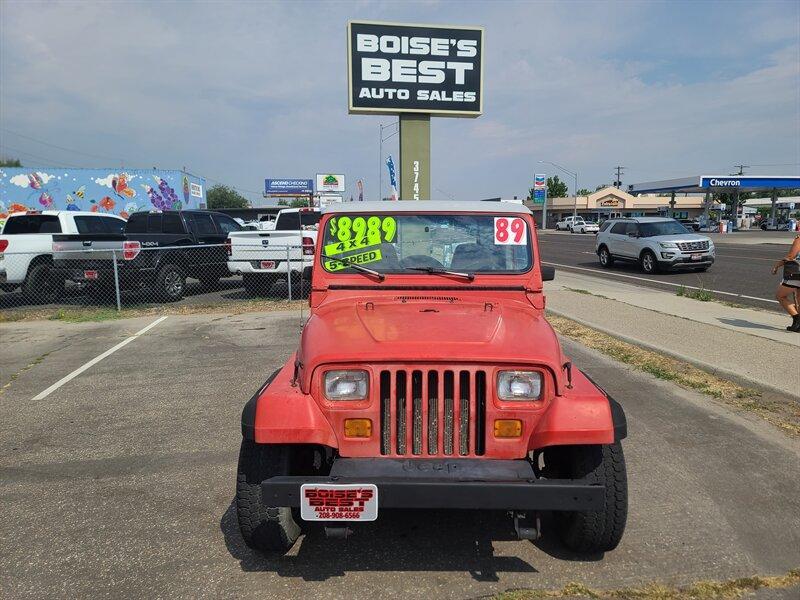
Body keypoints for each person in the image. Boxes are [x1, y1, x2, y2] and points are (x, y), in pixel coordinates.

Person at [772, 234, 800, 332]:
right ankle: (798, 325)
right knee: (798, 297)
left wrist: (777, 265)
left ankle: (797, 319)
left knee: (780, 296)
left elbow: (791, 256)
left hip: (796, 273)